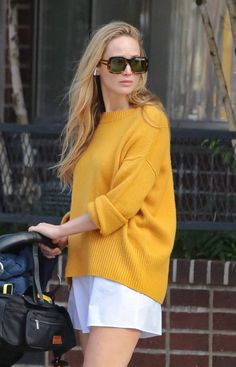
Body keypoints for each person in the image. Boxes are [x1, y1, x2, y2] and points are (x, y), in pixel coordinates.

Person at [29, 21, 176, 367]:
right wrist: (65, 233)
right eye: (117, 62)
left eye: (137, 62)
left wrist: (63, 229)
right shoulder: (95, 127)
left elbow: (121, 204)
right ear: (97, 68)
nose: (129, 71)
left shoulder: (149, 121)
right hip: (88, 268)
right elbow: (92, 200)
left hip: (125, 267)